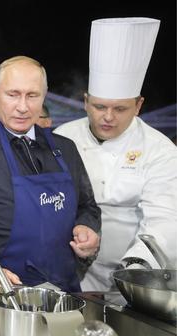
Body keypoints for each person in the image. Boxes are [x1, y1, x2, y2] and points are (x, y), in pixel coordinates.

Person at [0, 56, 101, 294]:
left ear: (44, 96)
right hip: (5, 300)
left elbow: (88, 206)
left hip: (66, 294)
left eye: (32, 96)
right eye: (13, 94)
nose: (23, 107)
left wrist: (87, 226)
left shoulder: (66, 150)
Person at [55, 18, 177, 291]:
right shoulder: (63, 138)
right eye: (99, 106)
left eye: (120, 109)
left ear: (138, 105)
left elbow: (165, 221)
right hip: (68, 273)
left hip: (135, 277)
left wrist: (135, 274)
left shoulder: (160, 150)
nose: (108, 117)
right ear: (85, 101)